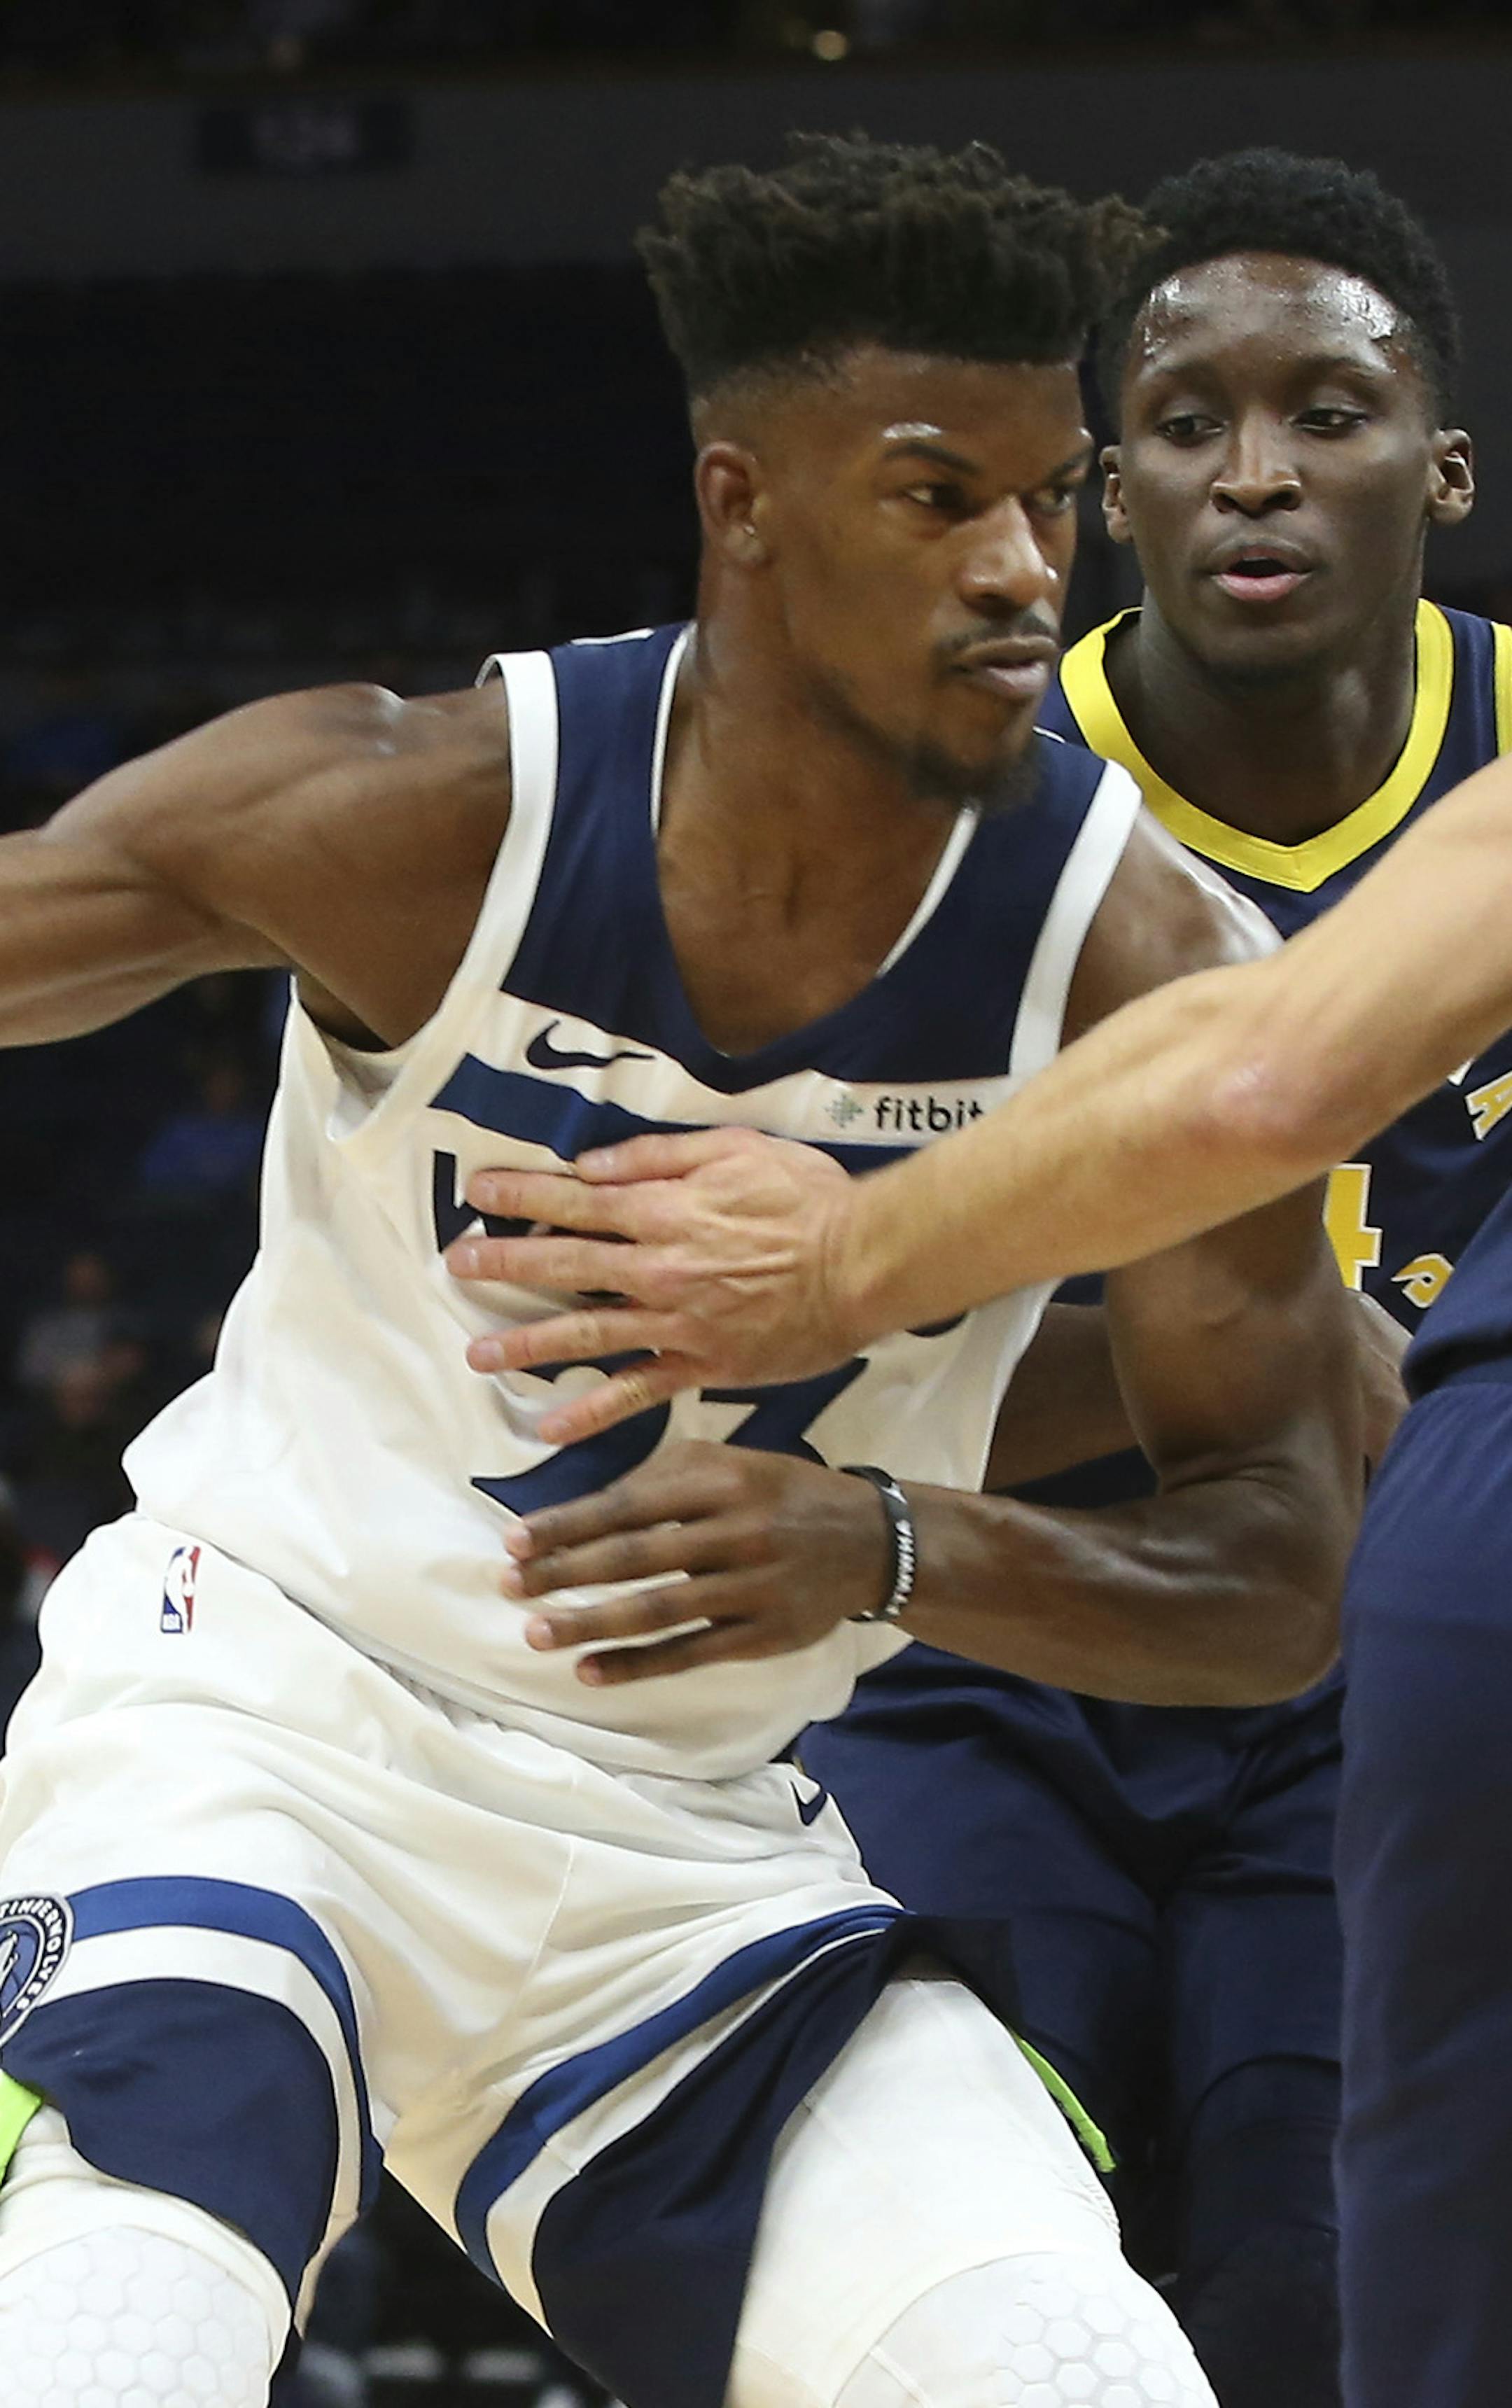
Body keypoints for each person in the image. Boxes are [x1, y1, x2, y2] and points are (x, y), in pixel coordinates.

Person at [0, 132, 1367, 2408]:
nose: (1027, 568)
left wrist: (886, 1540)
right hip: (258, 1727)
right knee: (118, 2327)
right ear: (745, 505)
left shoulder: (1144, 972)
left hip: (687, 1858)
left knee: (1074, 2371)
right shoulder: (434, 814)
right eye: (940, 499)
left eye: (1052, 497)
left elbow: (1286, 1572)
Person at [456, 145, 1498, 2407]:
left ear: (1446, 459)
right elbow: (771, 1347)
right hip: (974, 1630)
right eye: (1186, 421)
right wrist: (1299, 1367)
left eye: (1325, 413)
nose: (1257, 477)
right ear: (1106, 484)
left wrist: (1077, 1328)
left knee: (1315, 2287)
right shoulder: (945, 788)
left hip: (1379, 1675)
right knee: (937, 2267)